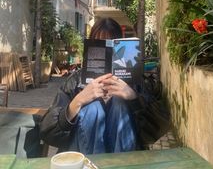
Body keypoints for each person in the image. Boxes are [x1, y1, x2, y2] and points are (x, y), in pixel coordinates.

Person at [39, 18, 146, 154]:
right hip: (82, 154)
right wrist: (78, 102)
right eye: (99, 44)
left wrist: (133, 97)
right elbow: (47, 131)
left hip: (124, 151)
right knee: (92, 108)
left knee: (119, 103)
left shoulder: (133, 79)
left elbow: (153, 129)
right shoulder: (75, 80)